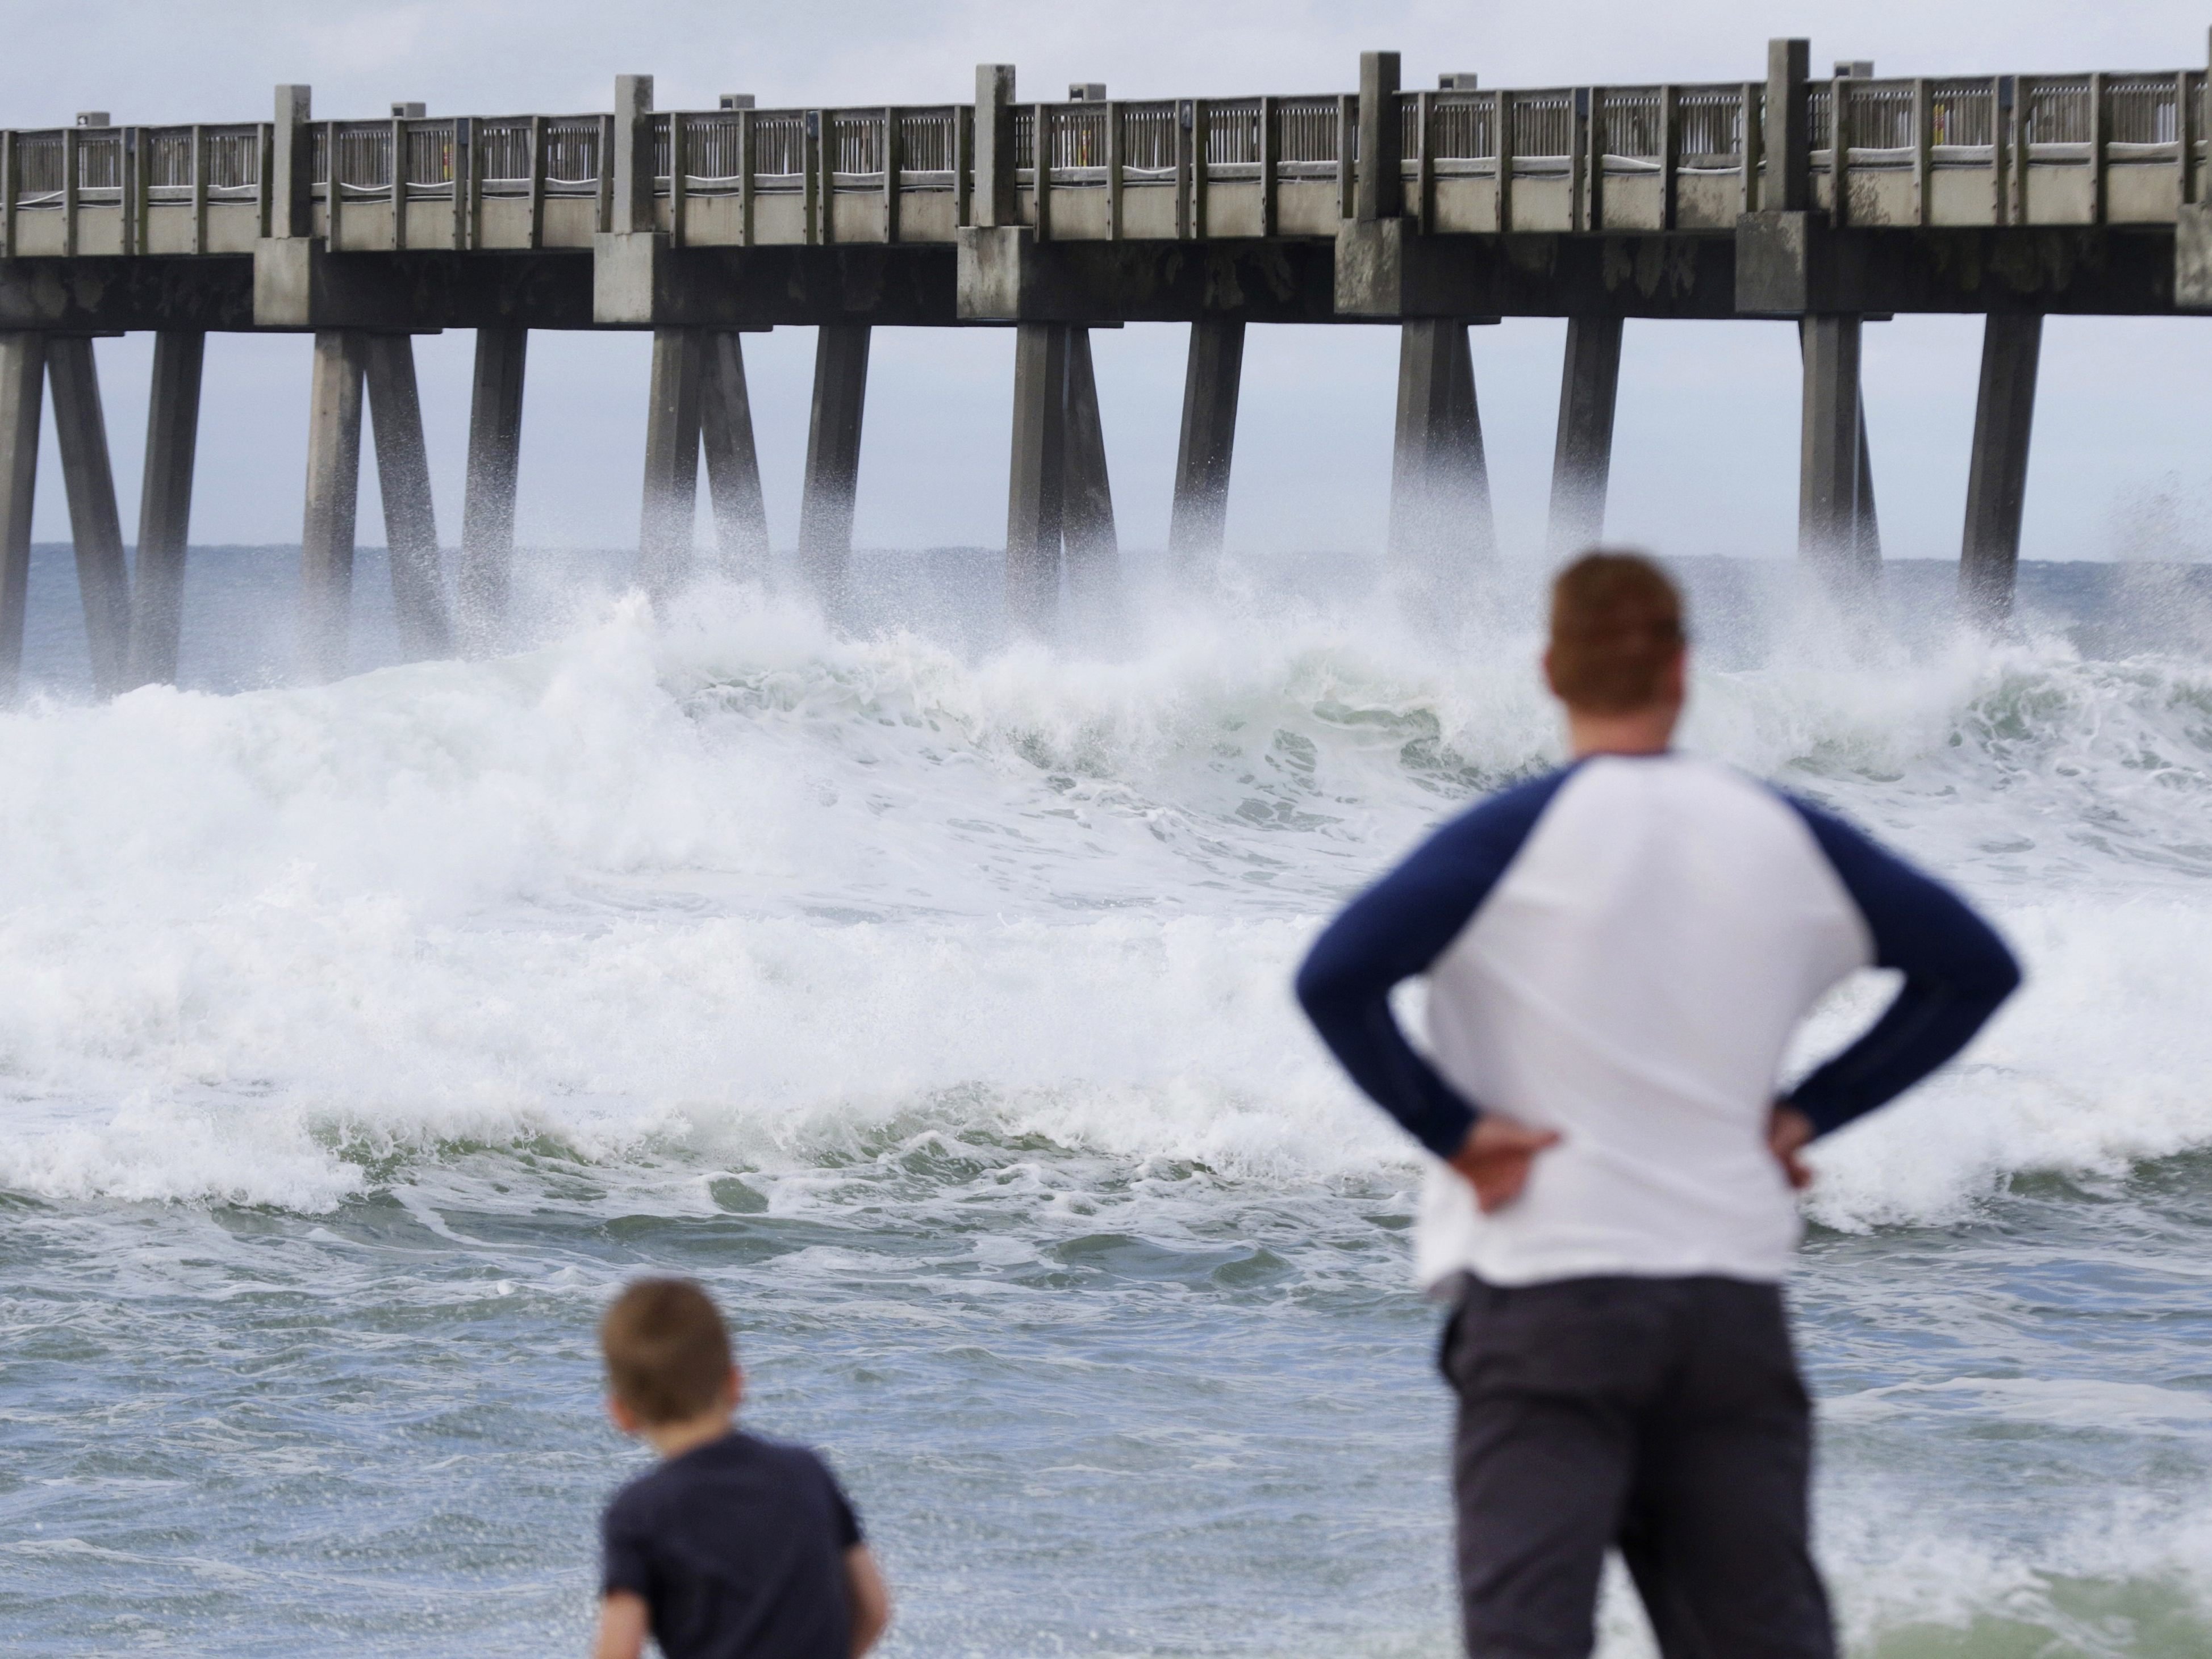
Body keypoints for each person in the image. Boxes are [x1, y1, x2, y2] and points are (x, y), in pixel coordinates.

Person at [1294, 552, 2020, 1659]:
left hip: (1549, 1300)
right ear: (1683, 666)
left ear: (1550, 668)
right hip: (1726, 1309)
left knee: (1528, 1639)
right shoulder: (1783, 831)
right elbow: (1974, 966)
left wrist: (1455, 1131)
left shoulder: (1505, 837)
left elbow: (1335, 976)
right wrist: (1810, 1110)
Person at [592, 1277, 891, 1659]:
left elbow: (619, 1651)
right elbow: (874, 1608)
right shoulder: (807, 1472)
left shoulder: (639, 1512)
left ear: (622, 1412)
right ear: (735, 1383)